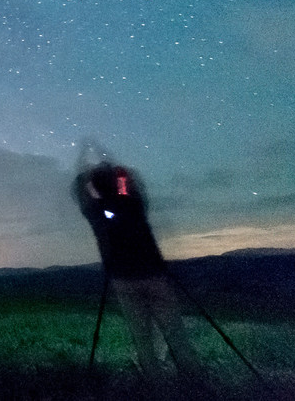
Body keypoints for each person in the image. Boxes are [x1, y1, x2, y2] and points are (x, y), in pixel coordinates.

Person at [73, 139, 202, 380]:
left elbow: (83, 184)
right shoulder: (132, 203)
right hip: (153, 272)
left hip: (123, 278)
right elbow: (124, 178)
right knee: (175, 333)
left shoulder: (97, 213)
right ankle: (196, 381)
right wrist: (108, 159)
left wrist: (86, 159)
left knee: (142, 337)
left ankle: (156, 386)